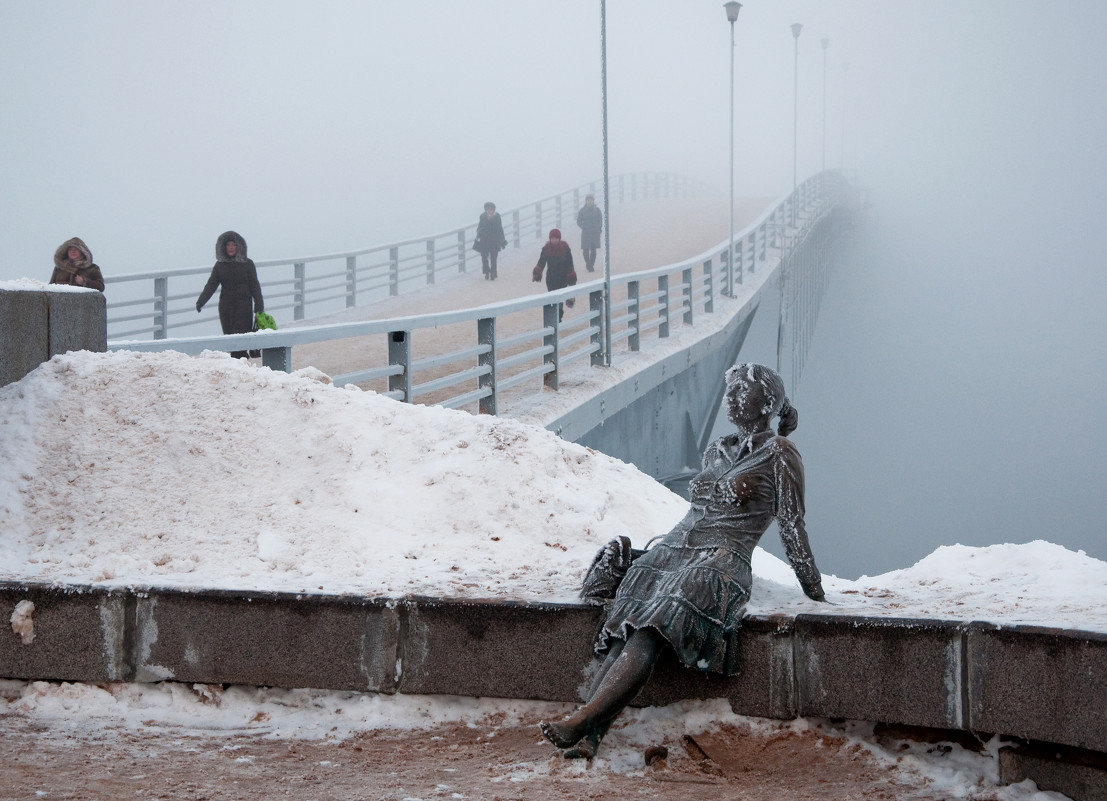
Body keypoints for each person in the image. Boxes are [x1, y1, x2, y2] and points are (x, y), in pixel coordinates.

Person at [538, 362, 827, 760]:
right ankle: (590, 735)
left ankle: (585, 720)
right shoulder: (717, 449)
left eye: (741, 391)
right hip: (672, 551)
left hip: (721, 560)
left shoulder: (779, 452)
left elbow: (793, 526)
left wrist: (815, 592)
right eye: (730, 390)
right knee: (624, 627)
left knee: (651, 629)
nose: (731, 398)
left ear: (765, 403)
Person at [195, 231, 264, 359]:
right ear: (223, 247)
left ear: (239, 247)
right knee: (231, 342)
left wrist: (259, 306)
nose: (231, 248)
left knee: (240, 340)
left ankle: (241, 365)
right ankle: (241, 366)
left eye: (234, 245)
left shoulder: (248, 264)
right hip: (226, 309)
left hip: (244, 308)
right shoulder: (220, 266)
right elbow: (211, 285)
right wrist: (201, 301)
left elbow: (255, 286)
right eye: (228, 245)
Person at [531, 229, 577, 321]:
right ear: (550, 238)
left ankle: (558, 315)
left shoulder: (565, 249)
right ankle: (556, 316)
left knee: (560, 297)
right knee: (553, 297)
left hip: (563, 278)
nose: (554, 240)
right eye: (552, 238)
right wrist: (537, 272)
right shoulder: (546, 249)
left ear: (559, 239)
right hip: (551, 278)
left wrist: (571, 275)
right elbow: (541, 262)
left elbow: (570, 263)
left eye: (556, 238)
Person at [473, 202, 507, 280]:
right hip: (484, 240)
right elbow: (479, 227)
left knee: (493, 258)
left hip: (494, 240)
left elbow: (500, 229)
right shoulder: (482, 216)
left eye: (491, 209)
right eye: (488, 209)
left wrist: (502, 240)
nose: (489, 211)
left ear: (493, 210)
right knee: (484, 258)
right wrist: (479, 235)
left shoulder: (497, 217)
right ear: (485, 210)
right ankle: (487, 271)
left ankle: (493, 274)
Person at [575, 194, 603, 273]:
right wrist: (583, 226)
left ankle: (591, 266)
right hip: (586, 233)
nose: (589, 201)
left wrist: (599, 227)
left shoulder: (597, 210)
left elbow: (600, 220)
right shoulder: (582, 210)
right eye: (588, 200)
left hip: (595, 233)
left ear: (593, 201)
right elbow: (578, 221)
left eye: (591, 200)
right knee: (585, 250)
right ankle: (588, 264)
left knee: (593, 250)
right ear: (586, 201)